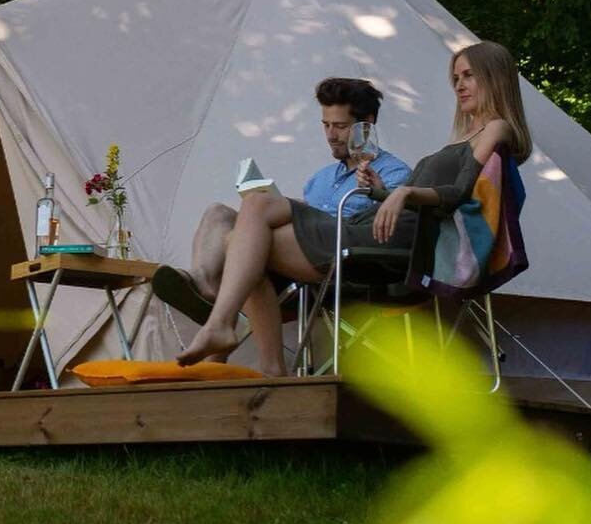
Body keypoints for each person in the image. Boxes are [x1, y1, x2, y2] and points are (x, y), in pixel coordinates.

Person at [166, 40, 533, 373]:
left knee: (254, 216)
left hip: (390, 245)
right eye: (456, 77)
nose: (459, 85)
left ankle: (218, 322)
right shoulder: (464, 137)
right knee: (242, 238)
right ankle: (264, 364)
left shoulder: (496, 129)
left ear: (494, 77)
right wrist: (380, 192)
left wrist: (403, 194)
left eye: (469, 75)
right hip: (371, 224)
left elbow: (457, 193)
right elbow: (433, 192)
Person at [152, 78, 410, 358]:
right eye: (325, 125)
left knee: (251, 220)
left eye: (340, 126)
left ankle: (222, 321)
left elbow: (385, 234)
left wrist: (377, 192)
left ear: (366, 124)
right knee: (219, 213)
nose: (331, 135)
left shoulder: (394, 173)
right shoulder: (319, 179)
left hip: (346, 265)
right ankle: (205, 285)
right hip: (297, 263)